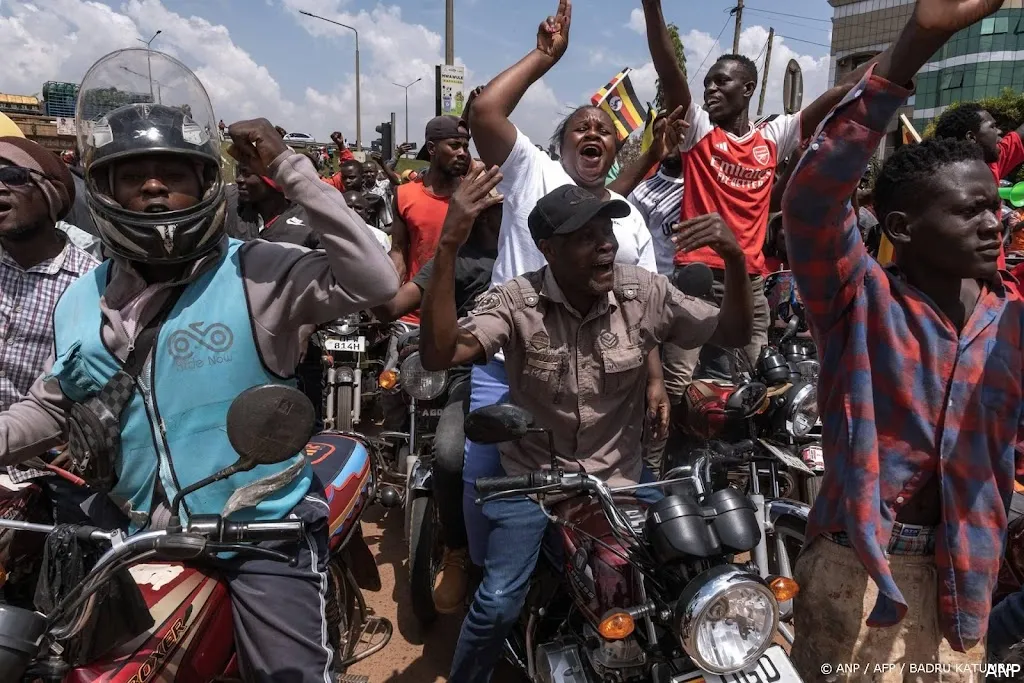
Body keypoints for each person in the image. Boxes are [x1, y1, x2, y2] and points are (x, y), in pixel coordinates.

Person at [0, 49, 398, 683]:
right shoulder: (79, 298)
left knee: (286, 675)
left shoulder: (258, 271)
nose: (154, 186)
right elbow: (53, 402)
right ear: (103, 191)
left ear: (208, 183)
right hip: (133, 532)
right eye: (133, 175)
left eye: (174, 173)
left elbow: (375, 280)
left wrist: (291, 170)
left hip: (259, 532)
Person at [419, 167, 754, 683]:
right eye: (586, 237)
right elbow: (441, 353)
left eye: (608, 232)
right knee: (498, 602)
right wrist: (447, 247)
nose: (606, 246)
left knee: (687, 579)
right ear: (548, 249)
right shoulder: (516, 300)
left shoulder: (643, 292)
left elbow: (732, 330)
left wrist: (734, 259)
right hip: (532, 483)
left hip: (619, 481)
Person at [782, 1, 1022, 679]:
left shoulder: (1012, 321)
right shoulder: (859, 301)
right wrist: (917, 41)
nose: (995, 224)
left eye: (996, 207)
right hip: (856, 575)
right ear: (902, 228)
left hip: (966, 583)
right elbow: (811, 200)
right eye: (970, 211)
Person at [464, 0, 669, 565]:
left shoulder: (630, 217)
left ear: (615, 150)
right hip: (510, 364)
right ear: (561, 145)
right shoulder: (533, 169)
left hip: (605, 378)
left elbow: (645, 311)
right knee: (475, 468)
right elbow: (484, 112)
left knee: (623, 496)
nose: (594, 131)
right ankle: (471, 565)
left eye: (604, 129)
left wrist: (655, 380)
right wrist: (544, 57)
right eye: (582, 126)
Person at [642, 0, 863, 395]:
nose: (710, 89)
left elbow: (840, 90)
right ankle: (667, 437)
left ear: (747, 89)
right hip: (698, 277)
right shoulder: (699, 131)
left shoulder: (772, 137)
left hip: (750, 283)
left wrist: (901, 57)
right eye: (707, 83)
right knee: (679, 385)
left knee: (752, 383)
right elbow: (669, 69)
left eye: (721, 82)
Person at [372, 188, 501, 613]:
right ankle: (457, 550)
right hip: (470, 374)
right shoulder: (456, 259)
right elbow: (396, 304)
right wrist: (366, 280)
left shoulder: (538, 252)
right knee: (448, 454)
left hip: (535, 373)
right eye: (494, 207)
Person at [0, 136, 98, 511]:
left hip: (50, 475)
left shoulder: (92, 284)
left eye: (12, 176)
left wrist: (85, 438)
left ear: (51, 193)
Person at [388, 115, 470, 323]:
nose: (462, 153)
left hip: (464, 315)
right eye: (454, 146)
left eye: (465, 147)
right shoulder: (404, 195)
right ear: (432, 148)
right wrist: (389, 297)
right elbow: (399, 252)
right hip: (413, 316)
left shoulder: (474, 194)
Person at [934, 102, 1024, 271]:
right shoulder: (930, 183)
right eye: (992, 126)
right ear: (971, 137)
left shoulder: (991, 164)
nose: (996, 225)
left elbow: (1018, 138)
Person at [236, 162, 319, 248]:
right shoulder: (234, 205)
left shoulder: (311, 222)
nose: (239, 180)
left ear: (273, 178)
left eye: (247, 173)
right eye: (239, 172)